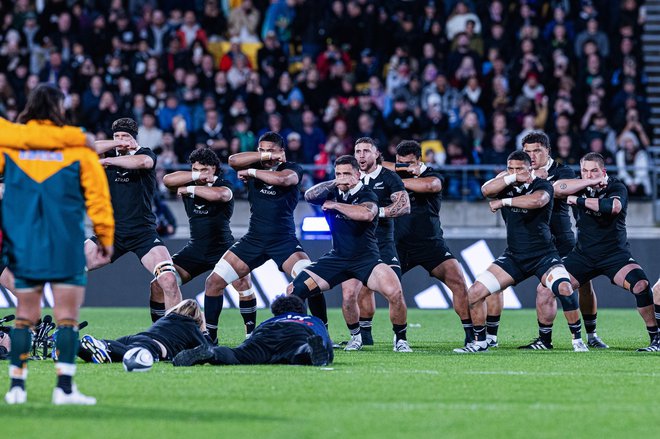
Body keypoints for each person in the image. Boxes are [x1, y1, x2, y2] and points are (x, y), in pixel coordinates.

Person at [1, 84, 114, 405]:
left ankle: (16, 388)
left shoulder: (10, 146)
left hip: (25, 242)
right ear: (59, 109)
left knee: (24, 315)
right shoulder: (79, 149)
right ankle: (64, 388)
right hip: (65, 241)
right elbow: (98, 198)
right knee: (67, 317)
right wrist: (104, 235)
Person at [455, 150, 584, 353]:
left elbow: (537, 201)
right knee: (474, 293)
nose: (514, 173)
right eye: (510, 168)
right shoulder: (507, 183)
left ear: (530, 168)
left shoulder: (542, 184)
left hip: (544, 255)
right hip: (515, 256)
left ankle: (578, 340)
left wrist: (504, 202)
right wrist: (512, 177)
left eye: (519, 169)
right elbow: (486, 190)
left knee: (565, 288)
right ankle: (480, 342)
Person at [491, 131, 608, 349]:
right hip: (527, 244)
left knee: (580, 285)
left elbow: (559, 190)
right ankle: (493, 339)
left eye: (537, 151)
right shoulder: (515, 173)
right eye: (527, 152)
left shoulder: (562, 171)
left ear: (548, 151)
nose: (532, 156)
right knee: (495, 285)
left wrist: (539, 182)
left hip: (561, 242)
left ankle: (591, 334)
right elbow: (492, 187)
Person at [203, 132, 318, 343]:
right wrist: (261, 161)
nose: (266, 154)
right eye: (262, 149)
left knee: (311, 280)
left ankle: (320, 332)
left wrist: (253, 171)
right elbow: (232, 160)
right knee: (213, 283)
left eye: (271, 150)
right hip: (254, 239)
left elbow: (284, 180)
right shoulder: (252, 166)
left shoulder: (291, 168)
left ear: (282, 152)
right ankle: (210, 337)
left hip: (283, 240)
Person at [290, 155, 412, 353]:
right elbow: (309, 196)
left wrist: (336, 205)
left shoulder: (367, 193)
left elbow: (367, 214)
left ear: (357, 175)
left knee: (395, 292)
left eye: (347, 174)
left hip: (366, 259)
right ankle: (335, 338)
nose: (342, 178)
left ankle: (400, 339)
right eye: (338, 173)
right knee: (296, 290)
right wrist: (334, 182)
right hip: (338, 258)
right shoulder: (333, 190)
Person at [553, 153, 660, 352]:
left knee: (641, 285)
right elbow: (556, 189)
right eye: (584, 170)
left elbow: (613, 206)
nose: (589, 174)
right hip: (583, 255)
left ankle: (656, 339)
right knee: (548, 288)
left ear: (603, 171)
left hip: (615, 255)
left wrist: (577, 200)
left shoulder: (616, 186)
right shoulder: (580, 185)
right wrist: (580, 187)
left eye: (594, 170)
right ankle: (556, 339)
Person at [85, 117, 183, 315]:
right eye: (117, 136)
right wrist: (116, 143)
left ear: (135, 139)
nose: (121, 140)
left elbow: (143, 162)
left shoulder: (145, 154)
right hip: (111, 234)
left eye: (126, 136)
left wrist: (107, 160)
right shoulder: (110, 152)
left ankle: (177, 331)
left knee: (168, 280)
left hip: (143, 233)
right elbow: (87, 148)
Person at [156, 148, 258, 337]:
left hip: (223, 248)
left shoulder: (223, 183)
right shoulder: (190, 179)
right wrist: (194, 177)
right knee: (159, 282)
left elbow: (221, 196)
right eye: (195, 169)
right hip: (196, 250)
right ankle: (161, 332)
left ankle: (250, 335)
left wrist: (189, 188)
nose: (199, 173)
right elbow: (167, 180)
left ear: (214, 169)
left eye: (204, 169)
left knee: (243, 282)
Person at [381, 140, 474, 347]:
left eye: (409, 163)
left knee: (458, 281)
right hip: (398, 245)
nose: (405, 167)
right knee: (370, 284)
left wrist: (396, 180)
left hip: (430, 244)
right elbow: (377, 164)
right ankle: (382, 337)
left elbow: (430, 185)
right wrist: (397, 171)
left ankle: (470, 336)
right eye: (400, 163)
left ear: (419, 160)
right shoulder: (390, 173)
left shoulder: (432, 174)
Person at [340, 137, 410, 350]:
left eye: (366, 151)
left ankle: (400, 339)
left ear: (376, 154)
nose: (361, 155)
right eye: (357, 151)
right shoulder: (348, 178)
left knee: (395, 293)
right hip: (354, 246)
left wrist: (374, 212)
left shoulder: (389, 178)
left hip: (382, 244)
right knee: (350, 294)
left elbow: (404, 206)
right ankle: (359, 337)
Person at [172, 295, 332, 367]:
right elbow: (324, 337)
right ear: (302, 311)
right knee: (303, 350)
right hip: (299, 333)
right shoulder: (312, 320)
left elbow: (255, 335)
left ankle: (212, 353)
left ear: (277, 312)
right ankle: (310, 350)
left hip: (266, 333)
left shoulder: (270, 321)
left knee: (238, 354)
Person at [78, 299, 207, 364]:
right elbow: (208, 349)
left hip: (135, 338)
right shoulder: (191, 326)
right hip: (152, 346)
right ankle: (103, 346)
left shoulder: (166, 318)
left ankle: (72, 345)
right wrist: (204, 329)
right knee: (129, 355)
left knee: (104, 355)